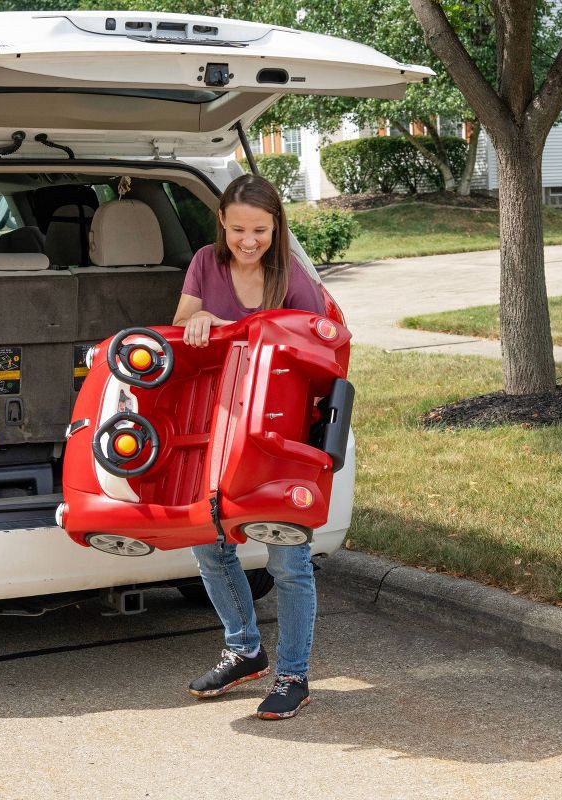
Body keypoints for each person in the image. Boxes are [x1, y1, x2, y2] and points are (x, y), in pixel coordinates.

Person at [172, 174, 325, 720]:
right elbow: (181, 326)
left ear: (276, 226)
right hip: (217, 425)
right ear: (222, 222)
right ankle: (244, 648)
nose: (248, 240)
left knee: (288, 557)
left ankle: (294, 675)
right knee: (210, 544)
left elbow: (326, 345)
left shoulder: (294, 277)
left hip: (280, 435)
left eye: (260, 230)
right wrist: (204, 320)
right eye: (238, 229)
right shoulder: (205, 265)